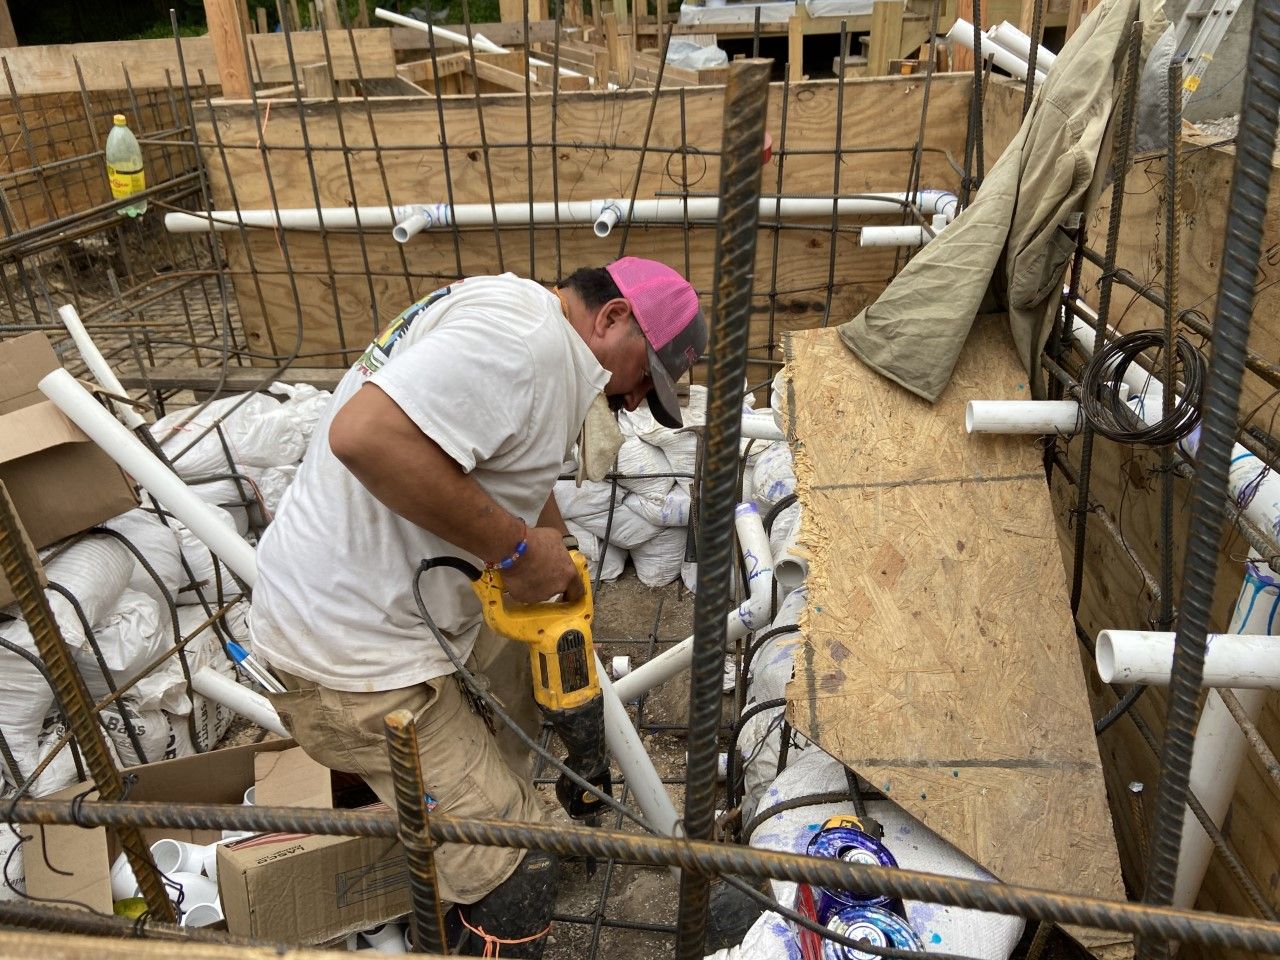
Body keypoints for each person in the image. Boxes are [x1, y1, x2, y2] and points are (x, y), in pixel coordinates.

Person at [249, 257, 707, 957]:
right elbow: (363, 437)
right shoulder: (523, 343)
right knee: (518, 869)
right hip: (355, 662)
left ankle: (467, 820)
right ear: (614, 317)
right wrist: (519, 552)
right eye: (648, 375)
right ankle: (481, 896)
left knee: (518, 679)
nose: (642, 400)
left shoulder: (534, 332)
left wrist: (547, 540)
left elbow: (497, 464)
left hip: (379, 616)